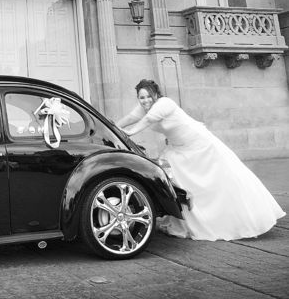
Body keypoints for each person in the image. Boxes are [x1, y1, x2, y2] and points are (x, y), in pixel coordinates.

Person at [116, 79, 285, 241]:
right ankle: (184, 221)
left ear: (156, 95)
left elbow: (148, 120)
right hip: (178, 149)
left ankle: (232, 219)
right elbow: (130, 118)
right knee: (175, 179)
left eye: (148, 96)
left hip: (199, 145)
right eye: (141, 97)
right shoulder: (144, 107)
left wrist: (130, 133)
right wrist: (113, 127)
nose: (145, 100)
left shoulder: (164, 103)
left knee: (217, 181)